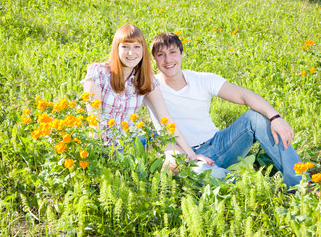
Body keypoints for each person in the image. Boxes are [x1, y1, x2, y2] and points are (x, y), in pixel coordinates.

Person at [145, 32, 303, 187]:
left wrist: (275, 118)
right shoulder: (149, 87)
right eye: (161, 55)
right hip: (183, 154)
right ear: (153, 59)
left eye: (172, 52)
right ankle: (259, 187)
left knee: (257, 117)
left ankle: (301, 184)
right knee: (201, 172)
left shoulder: (202, 80)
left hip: (219, 145)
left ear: (181, 54)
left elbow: (243, 95)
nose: (168, 60)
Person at [80, 25, 210, 166]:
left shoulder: (145, 78)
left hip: (137, 141)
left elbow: (166, 119)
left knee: (179, 160)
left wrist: (191, 154)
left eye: (137, 47)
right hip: (109, 147)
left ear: (143, 50)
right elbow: (94, 121)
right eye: (125, 47)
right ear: (116, 48)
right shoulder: (99, 73)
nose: (131, 53)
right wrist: (97, 157)